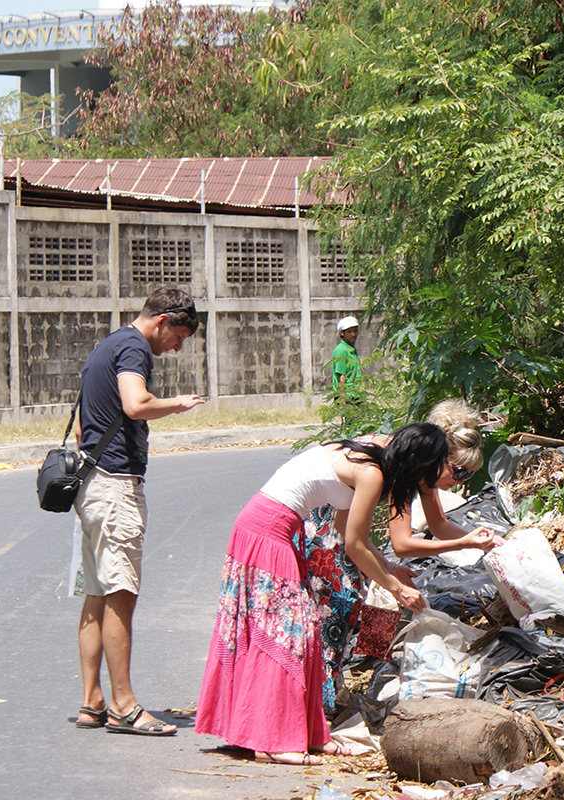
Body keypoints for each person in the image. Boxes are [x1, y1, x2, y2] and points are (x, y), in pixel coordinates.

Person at [195, 422, 476, 765]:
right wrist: (396, 587)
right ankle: (269, 740)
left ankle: (310, 734)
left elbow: (346, 532)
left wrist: (388, 568)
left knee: (307, 631)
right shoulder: (372, 472)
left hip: (280, 529)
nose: (434, 479)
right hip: (267, 529)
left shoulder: (373, 460)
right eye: (437, 468)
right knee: (289, 634)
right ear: (416, 459)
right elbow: (356, 546)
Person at [302, 399, 498, 713]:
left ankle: (349, 676)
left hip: (341, 520)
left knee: (367, 588)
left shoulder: (427, 469)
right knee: (342, 598)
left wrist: (484, 541)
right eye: (458, 472)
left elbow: (439, 525)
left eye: (467, 476)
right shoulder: (406, 465)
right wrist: (466, 544)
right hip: (324, 519)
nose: (457, 483)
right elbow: (403, 543)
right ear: (437, 456)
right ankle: (329, 691)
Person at [72, 288, 205, 736]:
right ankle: (123, 707)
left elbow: (79, 427)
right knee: (121, 596)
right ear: (163, 321)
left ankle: (92, 702)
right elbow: (135, 404)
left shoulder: (106, 345)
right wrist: (178, 404)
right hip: (115, 488)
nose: (177, 347)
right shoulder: (132, 348)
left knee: (97, 593)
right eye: (179, 336)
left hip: (91, 487)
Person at [331, 316, 362, 402]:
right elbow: (341, 377)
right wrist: (343, 402)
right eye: (349, 332)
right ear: (342, 333)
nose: (353, 334)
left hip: (356, 395)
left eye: (355, 331)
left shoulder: (351, 349)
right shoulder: (341, 350)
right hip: (348, 397)